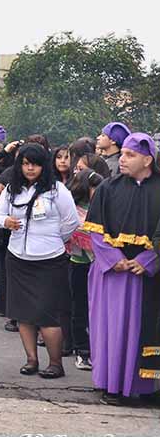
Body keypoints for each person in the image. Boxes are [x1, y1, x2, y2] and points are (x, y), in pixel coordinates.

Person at [0, 143, 79, 380]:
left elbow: (71, 222)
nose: (30, 168)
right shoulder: (12, 189)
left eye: (35, 164)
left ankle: (55, 363)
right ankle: (31, 360)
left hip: (49, 260)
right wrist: (5, 221)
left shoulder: (57, 190)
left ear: (44, 166)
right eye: (26, 164)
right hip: (17, 257)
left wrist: (52, 239)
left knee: (47, 314)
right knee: (23, 312)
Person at [84, 132, 160, 405]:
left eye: (130, 155)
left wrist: (148, 261)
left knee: (145, 329)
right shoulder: (108, 188)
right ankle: (112, 385)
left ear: (147, 160)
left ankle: (146, 388)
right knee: (113, 330)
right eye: (123, 153)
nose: (123, 159)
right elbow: (95, 231)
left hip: (147, 276)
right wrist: (112, 258)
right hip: (113, 274)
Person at [65, 168, 107, 371]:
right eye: (95, 188)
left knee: (98, 309)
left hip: (101, 264)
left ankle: (99, 350)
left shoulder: (105, 206)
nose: (99, 191)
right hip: (79, 263)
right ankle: (82, 351)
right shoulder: (73, 208)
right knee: (79, 308)